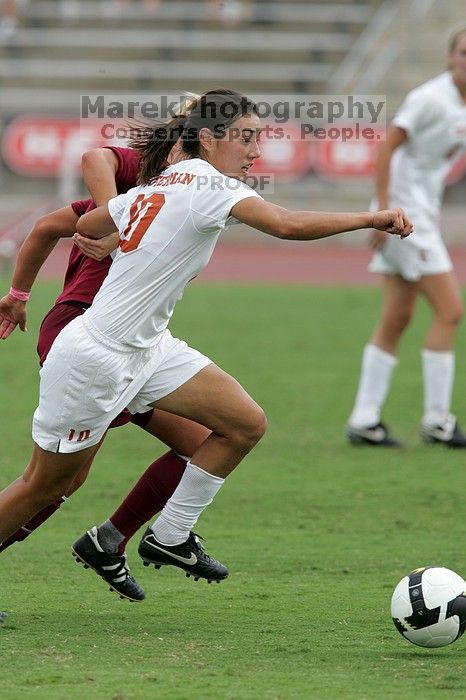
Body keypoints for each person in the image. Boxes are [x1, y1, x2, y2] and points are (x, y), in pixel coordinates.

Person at [0, 89, 411, 597]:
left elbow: (87, 223)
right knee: (46, 485)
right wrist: (370, 218)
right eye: (245, 138)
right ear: (209, 138)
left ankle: (170, 536)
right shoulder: (207, 184)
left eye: (257, 139)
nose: (255, 151)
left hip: (148, 350)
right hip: (95, 358)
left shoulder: (166, 182)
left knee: (243, 424)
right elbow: (284, 224)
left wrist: (116, 228)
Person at [0, 142, 211, 602]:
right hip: (86, 337)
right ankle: (110, 542)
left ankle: (109, 541)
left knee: (201, 443)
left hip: (128, 347)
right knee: (55, 480)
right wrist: (113, 217)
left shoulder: (197, 192)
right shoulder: (141, 185)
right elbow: (95, 158)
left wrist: (18, 295)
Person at [347, 27, 466, 448]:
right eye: (464, 52)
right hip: (405, 216)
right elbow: (386, 149)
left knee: (397, 318)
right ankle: (437, 420)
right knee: (451, 311)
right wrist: (382, 212)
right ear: (451, 56)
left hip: (419, 212)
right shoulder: (430, 98)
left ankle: (364, 419)